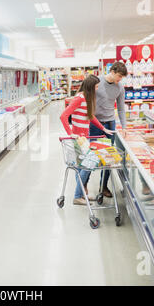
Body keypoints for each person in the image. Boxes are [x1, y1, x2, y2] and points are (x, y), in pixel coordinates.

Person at [60, 75, 115, 205]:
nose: (97, 89)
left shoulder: (87, 98)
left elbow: (90, 116)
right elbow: (63, 116)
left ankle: (81, 194)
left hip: (85, 138)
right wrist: (71, 133)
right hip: (78, 140)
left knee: (81, 168)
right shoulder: (79, 98)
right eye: (96, 87)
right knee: (87, 166)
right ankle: (78, 195)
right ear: (90, 87)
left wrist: (103, 129)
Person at [88, 62, 127, 198]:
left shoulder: (120, 87)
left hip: (110, 124)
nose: (120, 79)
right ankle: (84, 186)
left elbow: (121, 108)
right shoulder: (97, 82)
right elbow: (85, 99)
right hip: (95, 123)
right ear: (112, 71)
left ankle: (103, 186)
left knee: (109, 157)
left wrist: (124, 126)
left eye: (122, 77)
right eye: (119, 76)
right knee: (91, 156)